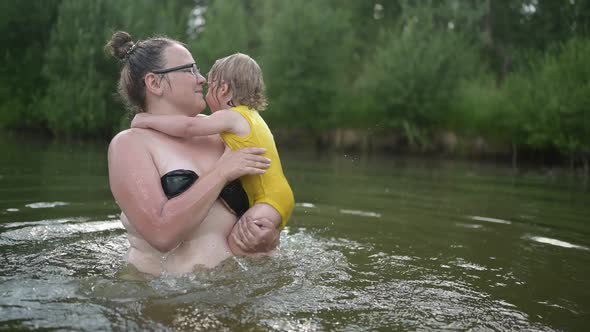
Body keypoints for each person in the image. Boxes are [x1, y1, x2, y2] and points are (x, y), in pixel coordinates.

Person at [106, 31, 282, 276]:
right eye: (189, 70)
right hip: (170, 299)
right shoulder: (129, 145)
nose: (202, 79)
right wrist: (222, 172)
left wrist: (270, 234)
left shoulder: (224, 133)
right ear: (154, 83)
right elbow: (161, 233)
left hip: (241, 291)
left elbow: (269, 198)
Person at [131, 53, 295, 256]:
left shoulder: (232, 117)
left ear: (224, 88)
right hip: (277, 197)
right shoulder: (252, 118)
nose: (204, 89)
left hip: (268, 200)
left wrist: (147, 120)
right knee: (254, 248)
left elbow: (189, 127)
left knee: (238, 245)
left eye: (210, 87)